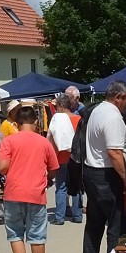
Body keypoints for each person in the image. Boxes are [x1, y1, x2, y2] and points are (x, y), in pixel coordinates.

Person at [79, 80, 126, 253]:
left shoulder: (98, 110)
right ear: (118, 97)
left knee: (94, 222)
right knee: (116, 222)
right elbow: (114, 152)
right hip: (106, 174)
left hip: (93, 172)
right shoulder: (112, 116)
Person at [0, 106, 59, 253]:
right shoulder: (43, 142)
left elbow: (1, 167)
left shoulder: (9, 141)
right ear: (36, 122)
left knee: (16, 234)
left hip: (13, 192)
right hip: (36, 193)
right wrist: (46, 178)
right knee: (37, 236)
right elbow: (54, 169)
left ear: (16, 124)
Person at [47, 94, 83, 224]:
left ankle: (59, 217)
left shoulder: (57, 119)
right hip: (77, 158)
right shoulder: (79, 118)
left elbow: (51, 139)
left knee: (61, 187)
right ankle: (78, 216)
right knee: (77, 187)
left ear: (61, 106)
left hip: (61, 158)